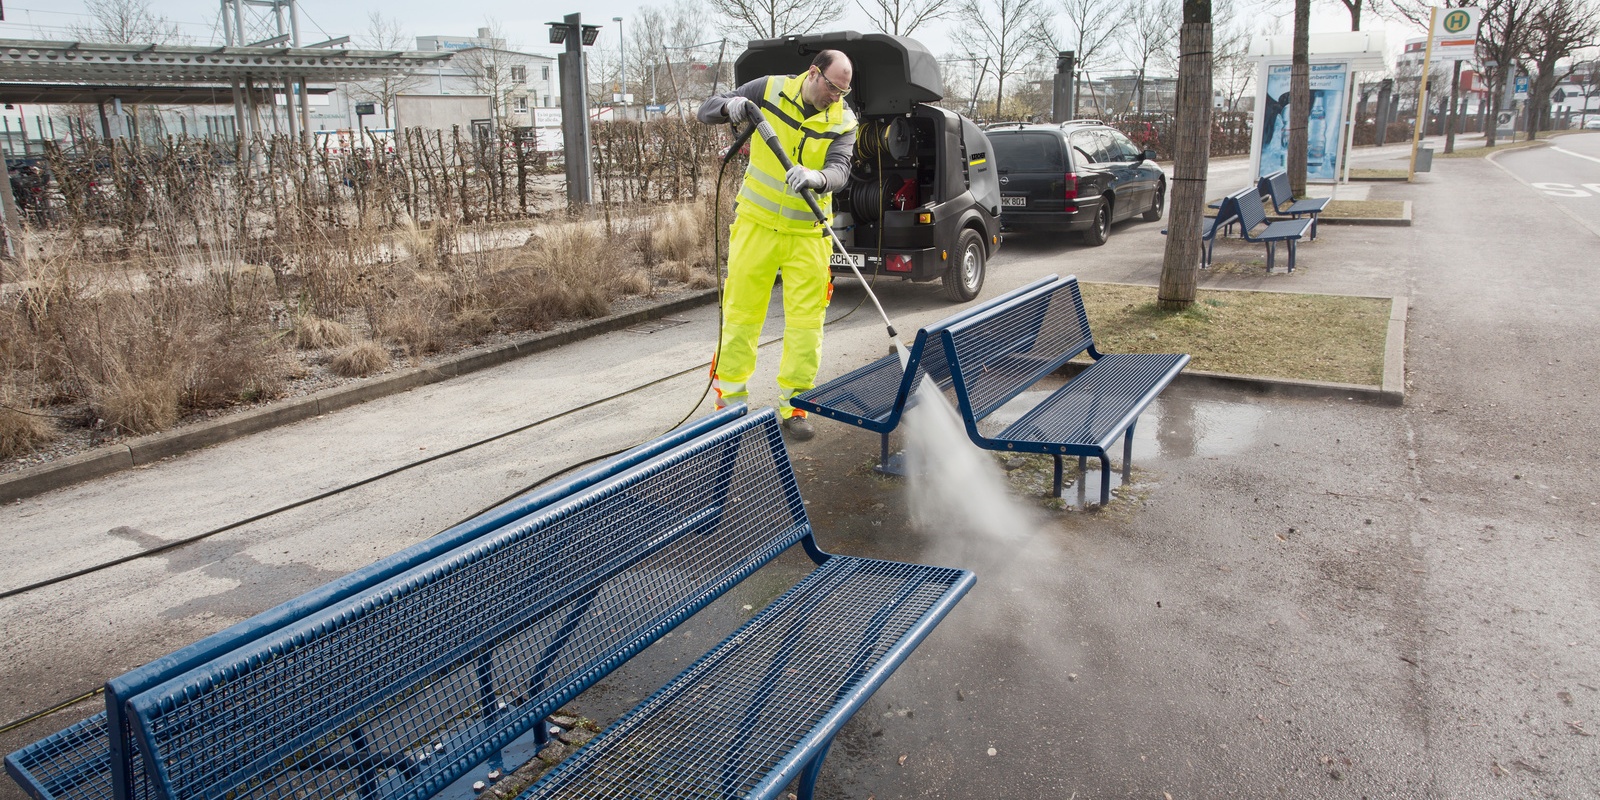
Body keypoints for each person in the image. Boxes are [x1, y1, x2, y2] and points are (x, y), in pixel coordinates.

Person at [697, 50, 858, 441]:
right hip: (756, 227)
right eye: (833, 89)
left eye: (843, 92)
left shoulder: (844, 120)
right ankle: (730, 404)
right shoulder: (768, 89)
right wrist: (730, 106)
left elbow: (840, 170)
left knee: (806, 327)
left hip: (807, 236)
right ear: (814, 72)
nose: (836, 98)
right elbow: (706, 109)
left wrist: (816, 177)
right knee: (740, 316)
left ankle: (796, 406)